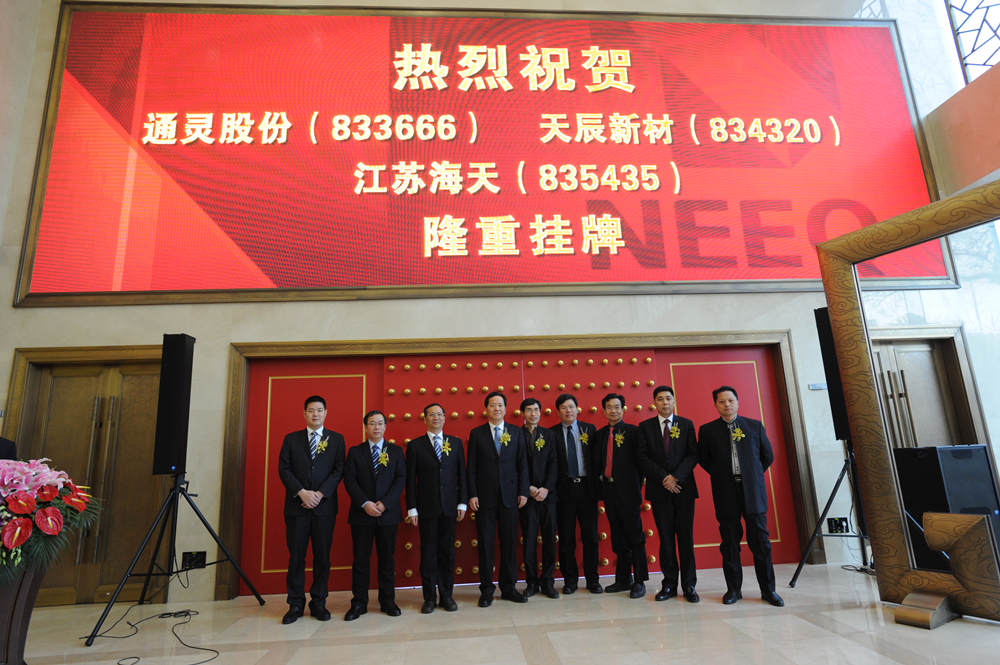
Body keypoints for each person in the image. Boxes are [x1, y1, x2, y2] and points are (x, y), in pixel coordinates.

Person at [698, 386, 784, 607]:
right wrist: (723, 476)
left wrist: (751, 475)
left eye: (730, 400)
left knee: (761, 543)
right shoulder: (707, 431)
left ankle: (768, 591)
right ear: (716, 405)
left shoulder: (754, 426)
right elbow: (704, 460)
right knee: (729, 543)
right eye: (722, 401)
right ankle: (734, 590)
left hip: (753, 493)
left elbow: (767, 456)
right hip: (726, 492)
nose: (727, 405)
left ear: (737, 402)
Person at [276, 395, 345, 624]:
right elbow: (284, 469)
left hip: (324, 509)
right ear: (304, 413)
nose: (315, 414)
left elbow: (338, 470)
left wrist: (320, 494)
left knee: (322, 557)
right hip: (297, 508)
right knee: (296, 557)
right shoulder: (291, 439)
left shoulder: (336, 439)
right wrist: (301, 492)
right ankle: (295, 604)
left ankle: (319, 602)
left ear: (326, 413)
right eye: (311, 410)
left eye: (319, 410)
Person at [637, 385, 699, 603]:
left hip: (684, 490)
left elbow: (693, 455)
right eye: (660, 398)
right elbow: (642, 457)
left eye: (668, 398)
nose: (665, 402)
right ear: (654, 403)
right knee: (665, 539)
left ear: (674, 401)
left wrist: (676, 478)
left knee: (686, 538)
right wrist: (665, 478)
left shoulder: (686, 424)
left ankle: (689, 585)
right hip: (659, 490)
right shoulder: (645, 427)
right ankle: (669, 584)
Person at [467, 391, 529, 607]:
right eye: (492, 405)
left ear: (505, 408)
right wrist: (472, 494)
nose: (497, 408)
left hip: (510, 497)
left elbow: (522, 464)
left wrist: (523, 491)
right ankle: (486, 590)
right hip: (484, 499)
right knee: (486, 544)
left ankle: (509, 588)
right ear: (486, 409)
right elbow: (471, 467)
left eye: (500, 405)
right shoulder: (477, 434)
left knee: (509, 544)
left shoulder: (516, 432)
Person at [343, 410, 406, 620]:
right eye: (372, 423)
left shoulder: (396, 451)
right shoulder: (355, 452)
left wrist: (385, 503)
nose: (376, 427)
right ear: (365, 427)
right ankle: (359, 603)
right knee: (361, 560)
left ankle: (388, 601)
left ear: (385, 426)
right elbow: (350, 480)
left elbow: (400, 479)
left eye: (380, 423)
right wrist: (365, 503)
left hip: (388, 515)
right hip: (362, 514)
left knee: (387, 560)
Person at [405, 403, 467, 613]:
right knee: (428, 553)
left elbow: (462, 475)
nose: (436, 418)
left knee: (447, 553)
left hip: (450, 507)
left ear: (444, 418)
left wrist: (462, 502)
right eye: (432, 415)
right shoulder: (415, 446)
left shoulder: (455, 443)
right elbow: (410, 481)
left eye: (439, 414)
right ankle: (429, 598)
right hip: (426, 508)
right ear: (425, 419)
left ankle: (447, 596)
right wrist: (412, 508)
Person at [594, 393, 648, 598]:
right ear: (604, 410)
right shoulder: (600, 435)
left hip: (629, 492)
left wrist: (635, 485)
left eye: (617, 406)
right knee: (618, 537)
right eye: (609, 407)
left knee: (635, 537)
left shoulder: (634, 432)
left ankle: (640, 580)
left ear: (623, 409)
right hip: (609, 492)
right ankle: (624, 579)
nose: (613, 410)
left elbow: (641, 463)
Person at [552, 393, 602, 594]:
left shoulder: (589, 429)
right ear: (558, 411)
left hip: (587, 490)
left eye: (571, 407)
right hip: (564, 491)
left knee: (591, 537)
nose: (568, 411)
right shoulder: (552, 433)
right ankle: (570, 581)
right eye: (564, 407)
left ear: (577, 409)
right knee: (566, 539)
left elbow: (597, 459)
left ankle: (593, 580)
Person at [519, 398, 559, 599]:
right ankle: (532, 581)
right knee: (529, 540)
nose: (533, 413)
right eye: (529, 410)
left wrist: (546, 488)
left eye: (536, 410)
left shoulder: (549, 434)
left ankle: (548, 581)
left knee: (550, 538)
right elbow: (514, 465)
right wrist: (529, 487)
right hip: (526, 497)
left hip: (547, 496)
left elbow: (554, 463)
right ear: (523, 413)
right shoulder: (516, 434)